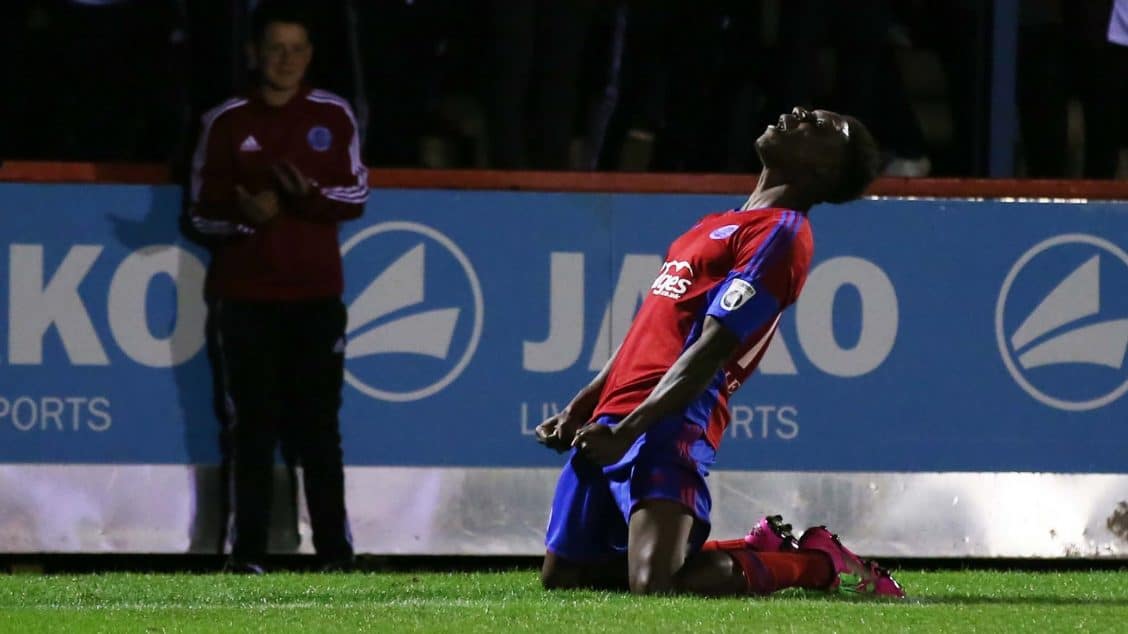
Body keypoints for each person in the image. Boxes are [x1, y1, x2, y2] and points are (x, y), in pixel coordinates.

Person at [535, 107, 903, 598]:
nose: (797, 113)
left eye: (818, 125)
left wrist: (628, 431)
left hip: (671, 419)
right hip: (615, 414)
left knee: (655, 584)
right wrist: (584, 403)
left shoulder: (782, 233)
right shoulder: (714, 225)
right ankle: (760, 547)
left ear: (823, 170)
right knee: (565, 579)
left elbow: (711, 349)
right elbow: (647, 329)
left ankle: (816, 565)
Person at [188, 0, 366, 573]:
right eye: (275, 49)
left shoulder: (334, 115)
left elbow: (355, 195)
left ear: (310, 55)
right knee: (252, 430)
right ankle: (247, 556)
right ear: (254, 55)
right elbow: (199, 211)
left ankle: (336, 556)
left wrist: (301, 195)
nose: (286, 60)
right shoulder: (226, 120)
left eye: (297, 49)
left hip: (315, 299)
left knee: (319, 431)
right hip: (245, 300)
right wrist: (244, 217)